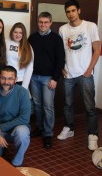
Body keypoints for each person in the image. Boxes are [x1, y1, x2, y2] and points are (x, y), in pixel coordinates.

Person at [57, 0, 101, 151]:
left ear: (79, 11)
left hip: (85, 74)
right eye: (68, 11)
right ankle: (69, 129)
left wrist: (89, 69)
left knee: (90, 107)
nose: (70, 14)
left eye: (73, 11)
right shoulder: (63, 29)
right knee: (67, 105)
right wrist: (62, 68)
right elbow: (61, 52)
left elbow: (97, 50)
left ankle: (93, 135)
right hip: (68, 74)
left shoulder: (90, 26)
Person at [28, 12, 65, 149]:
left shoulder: (56, 39)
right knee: (37, 105)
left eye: (45, 22)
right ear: (38, 22)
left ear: (50, 23)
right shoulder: (32, 37)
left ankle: (48, 134)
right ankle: (39, 128)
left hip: (49, 78)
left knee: (48, 106)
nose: (43, 25)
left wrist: (55, 78)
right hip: (34, 77)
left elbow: (60, 60)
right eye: (40, 22)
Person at [6, 22, 33, 89]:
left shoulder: (28, 47)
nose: (18, 35)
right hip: (6, 80)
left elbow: (29, 68)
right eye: (15, 32)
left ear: (23, 34)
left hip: (20, 80)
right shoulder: (6, 42)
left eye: (20, 33)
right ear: (12, 32)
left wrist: (24, 86)